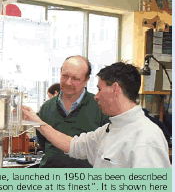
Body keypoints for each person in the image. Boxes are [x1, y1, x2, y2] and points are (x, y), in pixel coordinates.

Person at [22, 62, 171, 168]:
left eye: (100, 89)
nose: (96, 96)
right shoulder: (109, 130)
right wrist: (36, 121)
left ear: (115, 89)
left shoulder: (146, 137)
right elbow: (72, 145)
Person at [37, 56, 109, 168]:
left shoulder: (101, 107)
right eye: (65, 76)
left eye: (75, 79)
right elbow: (43, 142)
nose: (68, 82)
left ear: (86, 80)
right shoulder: (47, 107)